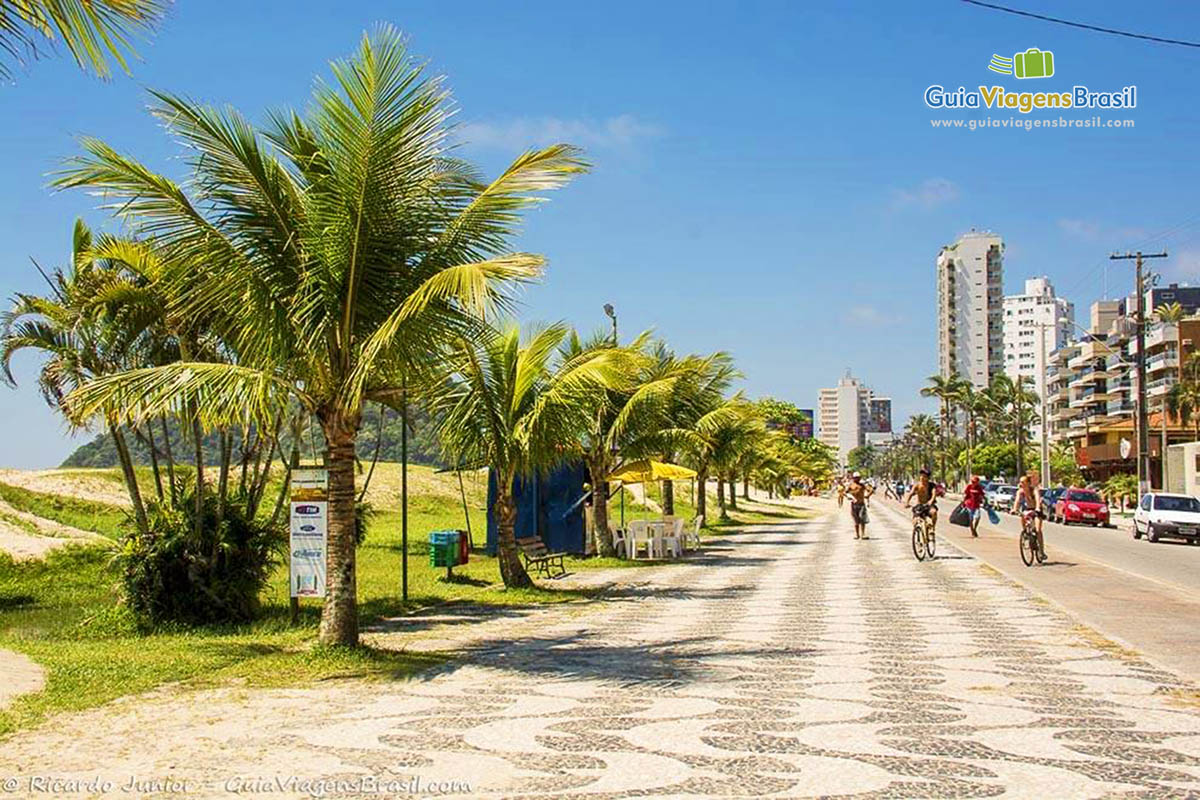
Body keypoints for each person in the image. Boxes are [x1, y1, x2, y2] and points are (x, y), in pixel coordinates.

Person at [1011, 472, 1046, 561]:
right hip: (1028, 509)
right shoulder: (1020, 491)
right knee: (1022, 516)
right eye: (1020, 482)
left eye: (1023, 482)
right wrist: (1014, 509)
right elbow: (1017, 501)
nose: (1021, 484)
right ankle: (1026, 533)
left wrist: (1038, 508)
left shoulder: (1034, 490)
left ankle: (1041, 551)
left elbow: (1038, 499)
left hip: (1037, 510)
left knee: (1038, 530)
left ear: (1028, 483)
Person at [845, 472, 874, 539]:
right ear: (853, 478)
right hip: (854, 505)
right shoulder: (851, 485)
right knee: (856, 520)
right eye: (856, 478)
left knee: (862, 519)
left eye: (858, 478)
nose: (857, 479)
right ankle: (857, 534)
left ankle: (863, 534)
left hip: (861, 504)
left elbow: (871, 490)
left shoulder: (862, 485)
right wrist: (849, 497)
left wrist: (868, 495)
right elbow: (845, 492)